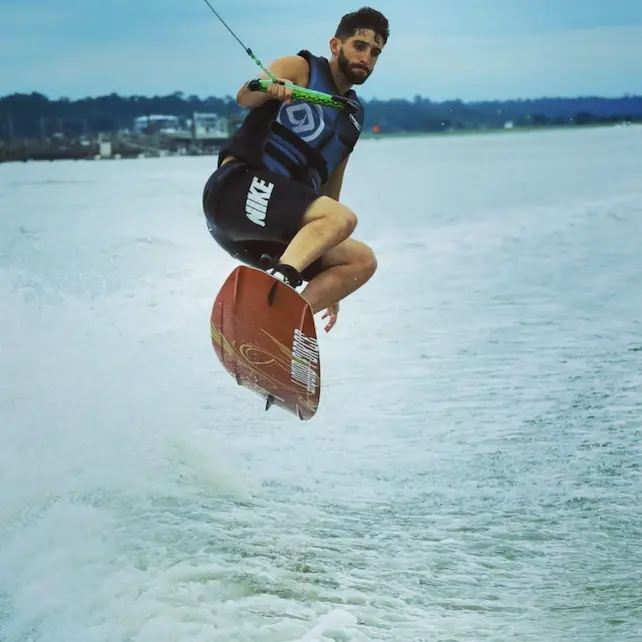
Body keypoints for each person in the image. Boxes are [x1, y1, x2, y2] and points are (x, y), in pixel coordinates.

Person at [202, 7, 389, 332]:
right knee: (342, 218)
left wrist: (331, 280)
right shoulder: (300, 68)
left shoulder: (352, 117)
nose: (367, 58)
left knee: (360, 261)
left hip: (266, 229)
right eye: (360, 46)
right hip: (236, 193)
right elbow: (244, 96)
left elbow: (330, 190)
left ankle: (281, 328)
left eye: (375, 53)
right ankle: (276, 291)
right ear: (335, 45)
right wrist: (268, 88)